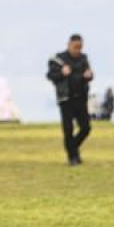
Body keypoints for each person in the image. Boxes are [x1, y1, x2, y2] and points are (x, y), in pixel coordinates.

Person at [46, 34, 93, 166]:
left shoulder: (84, 59)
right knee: (68, 129)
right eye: (75, 47)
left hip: (81, 97)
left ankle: (73, 148)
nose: (78, 50)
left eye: (80, 47)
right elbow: (50, 76)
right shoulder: (58, 60)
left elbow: (88, 74)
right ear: (69, 45)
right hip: (66, 98)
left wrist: (89, 76)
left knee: (86, 128)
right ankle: (72, 157)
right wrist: (62, 73)